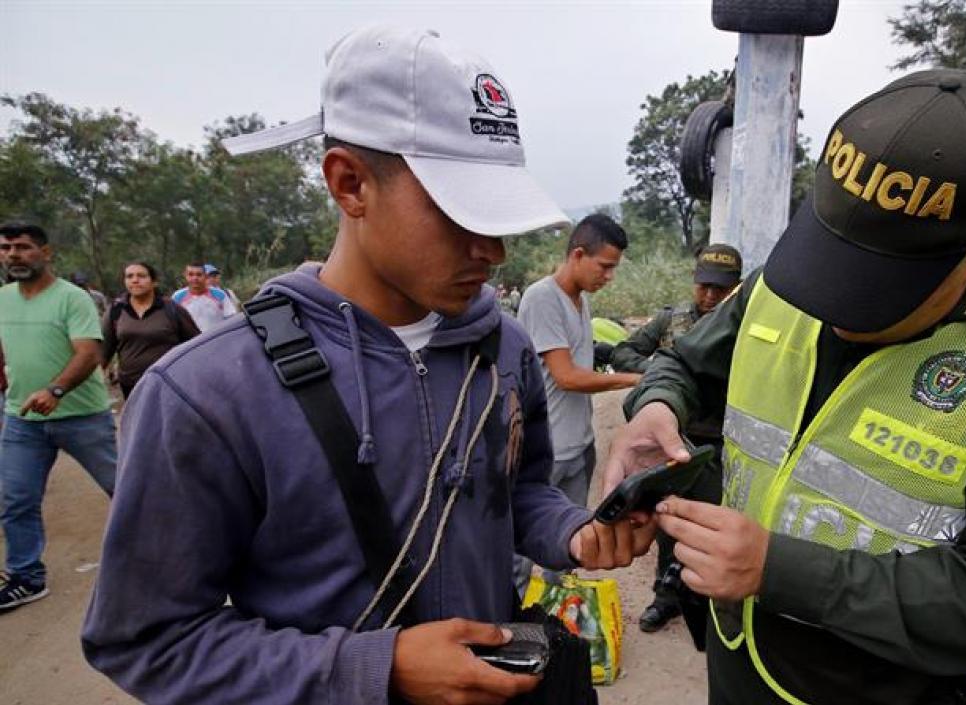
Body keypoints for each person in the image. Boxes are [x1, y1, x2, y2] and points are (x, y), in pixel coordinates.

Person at [81, 26, 653, 705]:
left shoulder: (503, 348)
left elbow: (518, 492)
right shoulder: (207, 392)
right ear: (350, 183)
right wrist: (370, 668)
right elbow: (148, 637)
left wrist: (574, 532)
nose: (492, 251)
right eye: (461, 213)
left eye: (499, 218)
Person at [606, 69, 966, 705]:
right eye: (834, 259)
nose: (837, 307)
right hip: (742, 668)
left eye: (880, 285)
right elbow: (686, 364)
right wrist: (657, 406)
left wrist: (781, 571)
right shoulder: (785, 281)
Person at [610, 242, 743, 633]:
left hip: (725, 442)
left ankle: (708, 604)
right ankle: (666, 598)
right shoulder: (673, 319)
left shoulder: (744, 327)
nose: (710, 295)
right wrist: (659, 371)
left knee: (716, 526)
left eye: (720, 289)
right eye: (704, 286)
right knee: (670, 519)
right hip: (677, 440)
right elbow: (623, 352)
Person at [0, 222, 117, 612]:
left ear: (46, 253)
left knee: (125, 488)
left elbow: (88, 353)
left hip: (82, 416)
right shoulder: (3, 298)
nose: (13, 254)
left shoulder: (72, 298)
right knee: (16, 499)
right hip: (21, 420)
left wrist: (55, 390)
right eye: (5, 248)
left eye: (22, 247)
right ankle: (26, 577)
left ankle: (173, 555)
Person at [517, 214, 642, 510]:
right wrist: (633, 379)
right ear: (578, 255)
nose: (609, 276)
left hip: (579, 443)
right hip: (549, 449)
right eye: (605, 266)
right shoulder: (542, 298)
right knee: (523, 548)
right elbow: (567, 377)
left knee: (568, 541)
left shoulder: (580, 299)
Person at [101, 261, 200, 398]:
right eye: (130, 276)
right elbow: (104, 351)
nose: (135, 280)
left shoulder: (171, 309)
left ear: (154, 282)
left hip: (169, 383)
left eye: (141, 276)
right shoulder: (116, 310)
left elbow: (195, 345)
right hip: (131, 385)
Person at [171, 262, 237, 332]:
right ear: (185, 276)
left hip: (218, 339)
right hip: (192, 342)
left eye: (199, 275)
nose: (195, 278)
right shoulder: (177, 297)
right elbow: (173, 323)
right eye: (190, 274)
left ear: (205, 276)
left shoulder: (220, 294)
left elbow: (231, 319)